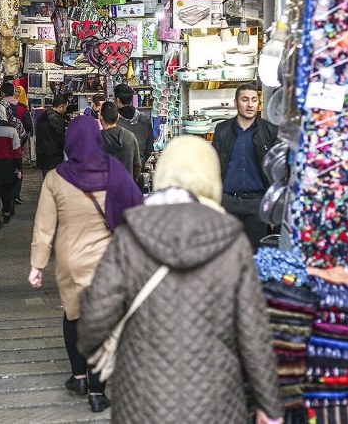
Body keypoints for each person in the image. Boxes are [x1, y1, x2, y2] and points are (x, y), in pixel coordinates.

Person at [77, 135, 282, 423]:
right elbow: (254, 334)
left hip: (142, 400)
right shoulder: (231, 239)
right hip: (216, 401)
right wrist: (269, 407)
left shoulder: (130, 235)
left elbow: (92, 327)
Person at [28, 115, 143, 413]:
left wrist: (37, 265)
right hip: (107, 261)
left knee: (74, 316)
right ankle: (97, 392)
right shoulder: (114, 171)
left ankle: (78, 377)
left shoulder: (55, 178)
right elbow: (136, 212)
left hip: (69, 260)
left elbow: (44, 227)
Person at [212, 83, 277, 248]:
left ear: (259, 103)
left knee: (254, 254)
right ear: (236, 103)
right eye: (245, 100)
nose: (250, 105)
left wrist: (272, 210)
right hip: (228, 202)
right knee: (225, 251)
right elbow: (215, 166)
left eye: (254, 100)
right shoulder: (222, 130)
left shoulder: (270, 131)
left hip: (256, 203)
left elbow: (275, 173)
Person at [1, 82, 32, 207]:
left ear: (2, 93)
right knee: (18, 168)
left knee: (5, 168)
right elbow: (28, 124)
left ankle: (7, 194)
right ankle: (16, 194)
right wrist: (21, 138)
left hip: (3, 144)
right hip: (18, 143)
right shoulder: (22, 108)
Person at [100, 101, 141, 181]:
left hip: (104, 190)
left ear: (101, 117)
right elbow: (137, 165)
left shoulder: (95, 139)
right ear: (118, 117)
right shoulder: (130, 136)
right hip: (126, 188)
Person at [114, 83, 154, 166]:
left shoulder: (114, 121)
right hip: (139, 167)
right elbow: (149, 149)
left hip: (119, 170)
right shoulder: (145, 119)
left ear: (117, 100)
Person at [35, 94, 69, 177]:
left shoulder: (43, 115)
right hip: (53, 158)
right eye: (65, 108)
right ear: (61, 107)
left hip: (43, 156)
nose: (66, 110)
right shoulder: (56, 120)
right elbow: (62, 140)